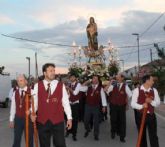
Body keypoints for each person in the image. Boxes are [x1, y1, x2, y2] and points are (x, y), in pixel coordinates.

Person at [31, 63, 72, 147]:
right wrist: (32, 113)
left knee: (60, 144)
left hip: (58, 121)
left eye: (54, 70)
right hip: (42, 121)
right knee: (44, 145)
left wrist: (69, 118)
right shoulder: (37, 86)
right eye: (50, 71)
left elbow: (66, 102)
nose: (53, 72)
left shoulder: (61, 85)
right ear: (44, 73)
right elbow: (34, 103)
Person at [131, 75, 160, 147]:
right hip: (140, 116)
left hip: (151, 115)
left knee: (153, 136)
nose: (153, 82)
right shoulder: (136, 90)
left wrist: (151, 101)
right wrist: (142, 106)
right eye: (152, 80)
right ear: (147, 81)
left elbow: (158, 103)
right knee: (142, 136)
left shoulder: (154, 90)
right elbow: (132, 104)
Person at [104, 74, 132, 143]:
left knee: (122, 121)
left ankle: (122, 137)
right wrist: (110, 82)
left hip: (121, 106)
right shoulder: (112, 86)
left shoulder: (126, 86)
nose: (117, 78)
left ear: (122, 78)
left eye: (119, 77)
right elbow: (105, 90)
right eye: (116, 77)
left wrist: (126, 103)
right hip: (113, 106)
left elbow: (130, 95)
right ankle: (113, 132)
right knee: (113, 120)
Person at [9, 74, 33, 147]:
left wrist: (30, 110)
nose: (19, 82)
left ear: (26, 81)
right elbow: (13, 107)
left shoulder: (32, 91)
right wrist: (11, 119)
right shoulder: (15, 93)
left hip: (28, 119)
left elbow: (36, 104)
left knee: (29, 139)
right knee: (16, 139)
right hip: (18, 119)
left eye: (21, 80)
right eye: (18, 81)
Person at [82, 75, 107, 141]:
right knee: (85, 120)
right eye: (93, 78)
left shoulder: (100, 88)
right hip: (88, 106)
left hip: (96, 106)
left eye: (96, 79)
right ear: (92, 80)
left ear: (98, 81)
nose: (95, 80)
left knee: (96, 122)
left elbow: (103, 97)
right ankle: (88, 129)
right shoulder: (88, 87)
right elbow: (80, 87)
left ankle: (96, 135)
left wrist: (104, 106)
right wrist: (87, 81)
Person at [65, 74, 82, 141]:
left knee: (75, 120)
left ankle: (74, 134)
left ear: (75, 78)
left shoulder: (78, 84)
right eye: (71, 77)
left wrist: (69, 88)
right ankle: (68, 131)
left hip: (75, 104)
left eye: (73, 77)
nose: (72, 78)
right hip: (69, 104)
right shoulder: (69, 84)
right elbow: (68, 95)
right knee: (68, 119)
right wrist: (67, 91)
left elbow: (75, 93)